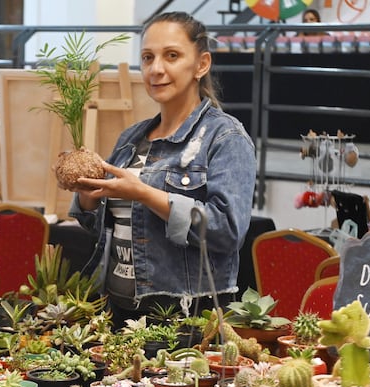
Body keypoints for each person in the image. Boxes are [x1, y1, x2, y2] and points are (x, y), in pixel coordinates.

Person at [68, 11, 256, 328]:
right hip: (118, 313)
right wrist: (89, 196)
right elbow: (107, 228)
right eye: (147, 57)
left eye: (172, 56)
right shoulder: (132, 138)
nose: (156, 69)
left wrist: (143, 193)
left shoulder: (225, 137)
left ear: (202, 64)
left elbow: (227, 231)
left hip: (184, 319)